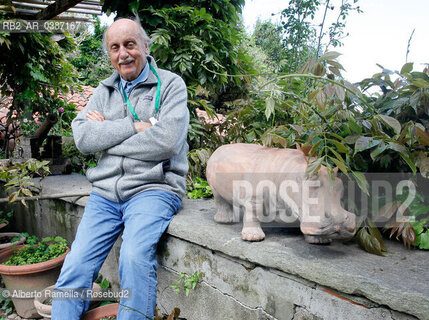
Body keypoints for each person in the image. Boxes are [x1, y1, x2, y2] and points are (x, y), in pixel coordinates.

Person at [51, 17, 189, 320]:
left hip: (153, 189)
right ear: (110, 54)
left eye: (130, 44)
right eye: (115, 47)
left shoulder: (170, 85)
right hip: (105, 194)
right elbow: (82, 137)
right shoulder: (104, 90)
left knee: (133, 257)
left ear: (145, 46)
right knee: (76, 265)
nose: (123, 53)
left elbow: (167, 142)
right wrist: (134, 126)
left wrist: (107, 136)